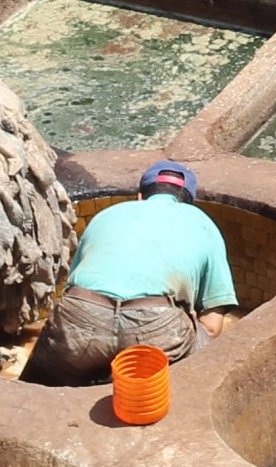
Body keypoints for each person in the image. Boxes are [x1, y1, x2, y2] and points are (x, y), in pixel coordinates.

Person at [26, 160, 240, 384]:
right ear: (187, 202)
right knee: (202, 362)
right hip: (156, 326)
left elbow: (73, 287)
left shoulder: (107, 214)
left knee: (40, 384)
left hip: (80, 315)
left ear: (140, 196)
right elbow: (213, 326)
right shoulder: (202, 223)